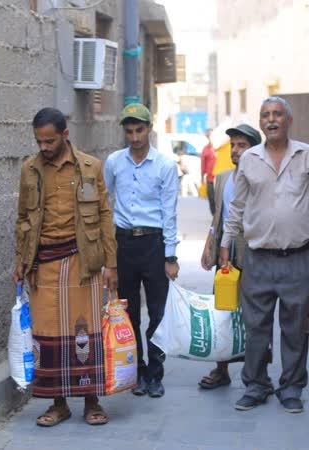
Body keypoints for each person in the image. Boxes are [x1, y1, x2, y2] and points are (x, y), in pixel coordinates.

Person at [219, 97, 309, 413]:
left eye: (277, 114)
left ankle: (292, 388)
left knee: (295, 328)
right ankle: (256, 386)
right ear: (261, 122)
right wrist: (225, 243)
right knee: (256, 328)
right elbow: (237, 206)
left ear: (288, 120)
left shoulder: (306, 155)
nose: (271, 120)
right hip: (258, 258)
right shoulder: (249, 159)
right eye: (266, 115)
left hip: (298, 257)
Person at [13, 107, 119, 427]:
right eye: (38, 142)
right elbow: (22, 219)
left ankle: (91, 400)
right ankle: (58, 404)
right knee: (48, 336)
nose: (43, 147)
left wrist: (110, 264)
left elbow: (103, 216)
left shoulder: (90, 167)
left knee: (82, 335)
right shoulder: (29, 169)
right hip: (42, 263)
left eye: (49, 141)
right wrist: (20, 261)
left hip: (81, 262)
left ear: (64, 134)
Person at [104, 103, 180, 398]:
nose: (134, 137)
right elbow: (105, 200)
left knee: (158, 313)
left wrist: (170, 256)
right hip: (124, 243)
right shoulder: (114, 162)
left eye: (139, 130)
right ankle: (136, 369)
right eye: (129, 131)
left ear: (149, 128)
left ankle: (155, 374)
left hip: (154, 243)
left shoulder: (164, 165)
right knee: (129, 311)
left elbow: (169, 212)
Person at [198, 124, 267, 389]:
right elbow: (219, 216)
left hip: (253, 254)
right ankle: (221, 370)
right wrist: (209, 244)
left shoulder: (262, 180)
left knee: (256, 315)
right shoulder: (224, 178)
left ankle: (260, 375)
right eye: (234, 145)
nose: (236, 150)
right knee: (223, 311)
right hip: (225, 255)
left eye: (242, 145)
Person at [200, 129, 217, 215]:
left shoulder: (219, 148)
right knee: (211, 198)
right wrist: (202, 177)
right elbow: (203, 164)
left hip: (219, 179)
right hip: (210, 179)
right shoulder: (205, 149)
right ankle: (214, 215)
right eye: (208, 136)